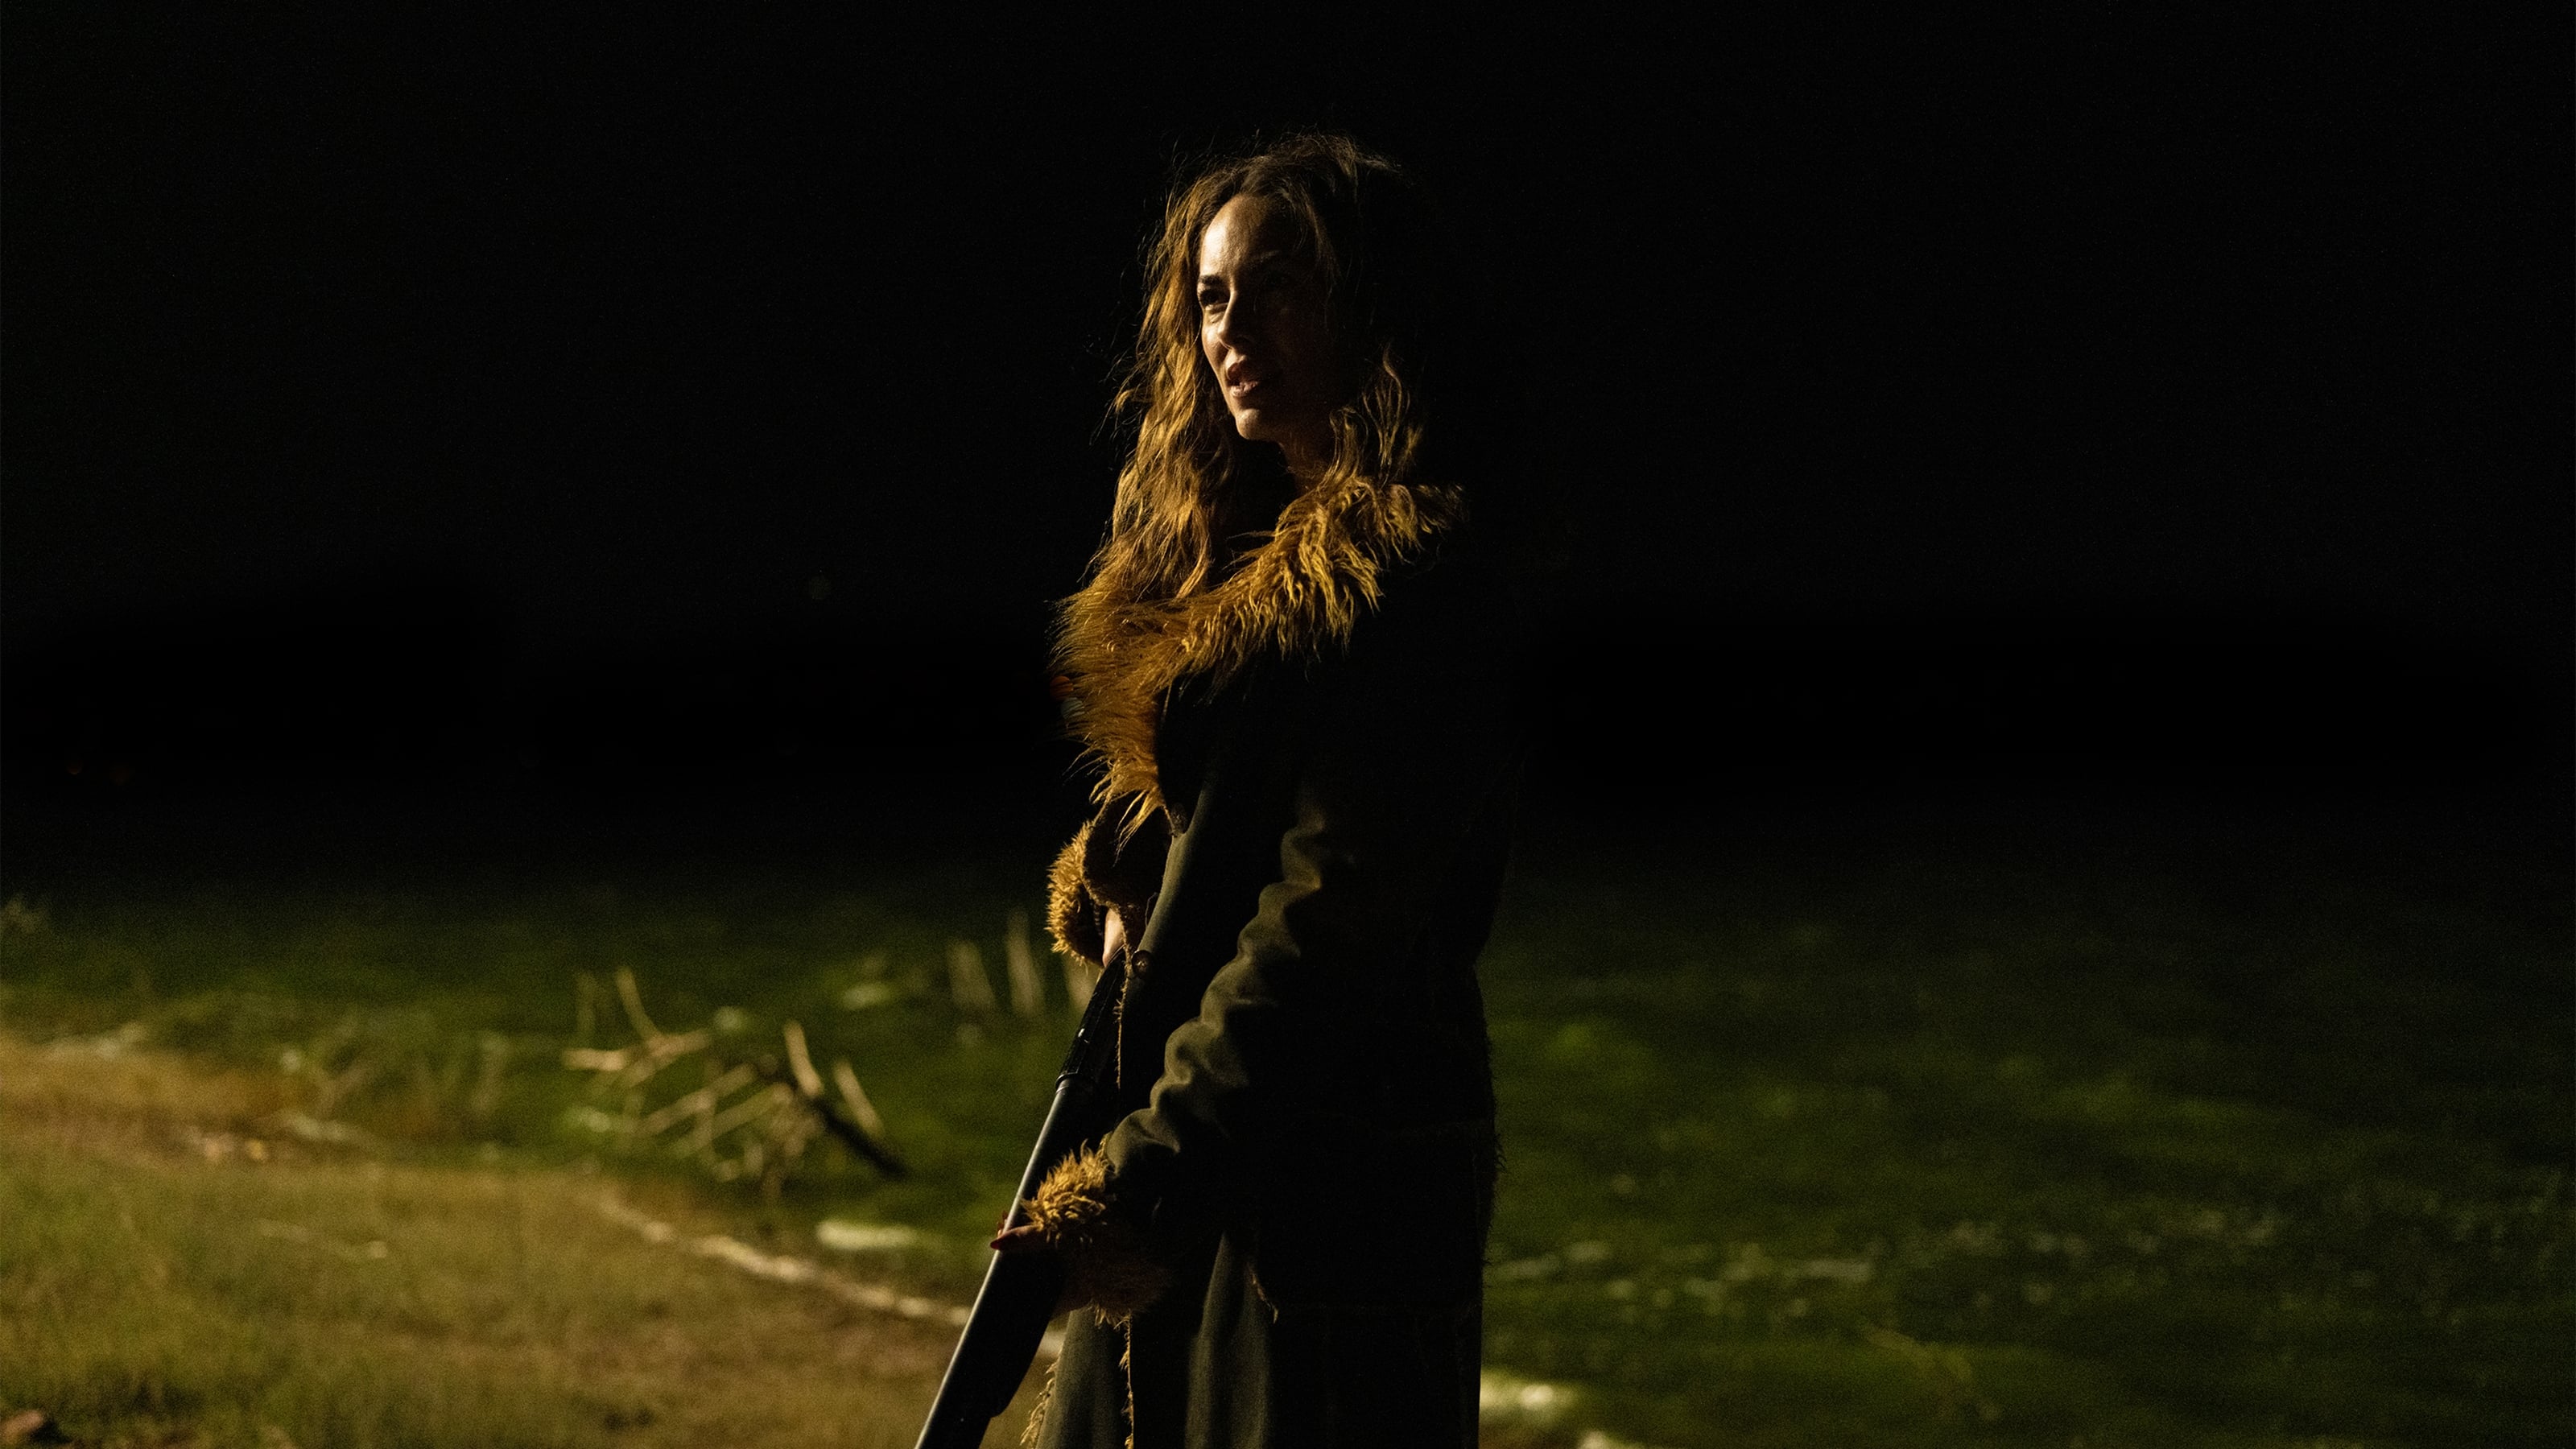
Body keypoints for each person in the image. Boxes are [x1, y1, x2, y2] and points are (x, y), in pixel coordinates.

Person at [993, 133, 1532, 1448]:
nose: (1234, 331)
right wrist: (1123, 869)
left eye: (1279, 287)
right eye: (1213, 297)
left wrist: (1131, 1188)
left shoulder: (1413, 581)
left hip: (1338, 1186)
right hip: (1201, 1147)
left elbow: (1325, 929)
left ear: (1370, 302)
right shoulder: (1224, 563)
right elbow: (1227, 821)